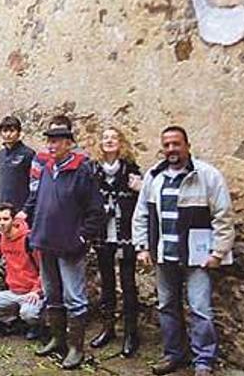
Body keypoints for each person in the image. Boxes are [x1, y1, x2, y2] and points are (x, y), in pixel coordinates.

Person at [133, 126, 234, 376]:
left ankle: (203, 361)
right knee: (167, 306)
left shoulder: (207, 175)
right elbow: (142, 214)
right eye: (166, 145)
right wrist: (142, 247)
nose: (171, 149)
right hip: (164, 254)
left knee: (201, 309)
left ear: (187, 145)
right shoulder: (154, 176)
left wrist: (218, 253)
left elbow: (223, 216)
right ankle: (173, 354)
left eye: (176, 144)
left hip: (197, 258)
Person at [29, 121, 104, 370]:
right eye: (49, 141)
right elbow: (40, 202)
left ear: (68, 144)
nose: (51, 146)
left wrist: (82, 238)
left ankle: (75, 347)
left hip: (70, 245)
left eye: (56, 141)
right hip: (46, 242)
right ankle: (57, 339)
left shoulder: (81, 170)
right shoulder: (48, 168)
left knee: (75, 297)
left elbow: (95, 211)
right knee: (52, 295)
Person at [90, 127, 143, 357]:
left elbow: (143, 198)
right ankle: (108, 327)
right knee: (107, 281)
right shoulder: (93, 170)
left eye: (114, 138)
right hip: (103, 232)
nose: (109, 141)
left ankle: (131, 332)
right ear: (100, 144)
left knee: (128, 283)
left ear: (121, 143)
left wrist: (139, 189)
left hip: (126, 231)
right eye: (105, 138)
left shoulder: (131, 169)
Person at [0, 203, 43, 339]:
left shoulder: (29, 240)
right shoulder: (1, 238)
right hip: (12, 291)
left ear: (14, 220)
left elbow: (45, 270)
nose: (1, 223)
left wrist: (37, 290)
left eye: (5, 219)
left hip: (32, 292)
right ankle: (15, 322)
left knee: (29, 313)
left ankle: (38, 325)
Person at [0, 115, 35, 211]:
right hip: (2, 206)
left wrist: (27, 208)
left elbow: (34, 182)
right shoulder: (0, 155)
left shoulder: (28, 154)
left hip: (20, 206)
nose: (8, 134)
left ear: (19, 132)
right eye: (5, 131)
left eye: (12, 131)